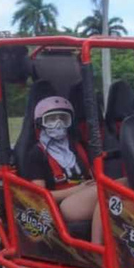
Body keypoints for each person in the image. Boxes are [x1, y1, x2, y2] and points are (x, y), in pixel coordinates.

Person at [25, 95, 107, 244]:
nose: (58, 124)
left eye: (63, 119)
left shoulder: (77, 146)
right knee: (106, 191)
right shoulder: (36, 154)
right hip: (61, 206)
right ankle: (98, 249)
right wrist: (77, 189)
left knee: (123, 183)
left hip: (85, 195)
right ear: (40, 123)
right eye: (51, 119)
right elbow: (38, 196)